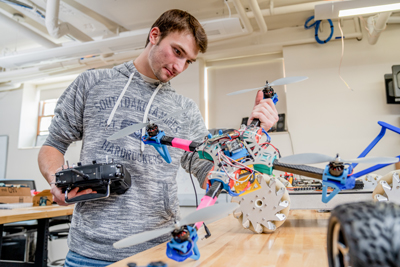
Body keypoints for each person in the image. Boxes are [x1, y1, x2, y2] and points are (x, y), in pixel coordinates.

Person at [38, 9, 278, 266]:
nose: (179, 67)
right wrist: (56, 181)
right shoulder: (92, 83)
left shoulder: (185, 109)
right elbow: (53, 145)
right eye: (177, 51)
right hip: (88, 252)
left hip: (158, 250)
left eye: (188, 61)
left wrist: (253, 134)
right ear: (154, 35)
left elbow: (206, 168)